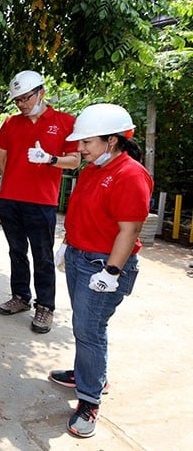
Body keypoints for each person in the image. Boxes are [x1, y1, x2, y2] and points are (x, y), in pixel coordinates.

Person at [48, 104, 152, 438]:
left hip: (103, 264)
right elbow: (79, 211)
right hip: (80, 258)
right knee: (86, 324)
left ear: (112, 141)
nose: (80, 149)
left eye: (86, 142)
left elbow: (129, 230)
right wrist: (68, 241)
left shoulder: (131, 174)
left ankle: (90, 399)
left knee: (88, 329)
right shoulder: (92, 168)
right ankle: (89, 373)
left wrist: (111, 271)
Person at [0, 70, 80, 334]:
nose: (21, 104)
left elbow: (76, 161)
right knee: (16, 251)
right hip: (10, 199)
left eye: (25, 98)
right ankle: (21, 297)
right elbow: (1, 157)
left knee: (42, 255)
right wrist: (10, 184)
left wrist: (51, 159)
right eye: (17, 100)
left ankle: (45, 306)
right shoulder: (10, 123)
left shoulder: (65, 122)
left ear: (41, 92)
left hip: (41, 202)